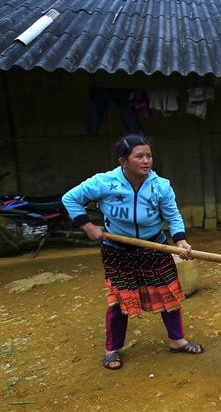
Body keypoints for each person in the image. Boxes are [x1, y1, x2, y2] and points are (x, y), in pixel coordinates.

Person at [62, 134, 204, 371]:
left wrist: (180, 241)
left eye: (149, 155)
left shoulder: (161, 186)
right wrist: (88, 226)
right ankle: (112, 350)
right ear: (123, 161)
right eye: (139, 156)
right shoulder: (104, 182)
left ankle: (177, 340)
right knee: (119, 301)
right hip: (118, 251)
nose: (146, 161)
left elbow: (172, 215)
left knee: (170, 296)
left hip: (153, 247)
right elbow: (70, 199)